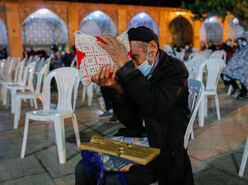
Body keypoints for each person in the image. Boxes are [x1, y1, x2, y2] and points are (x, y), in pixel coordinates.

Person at [75, 26, 194, 184]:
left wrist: (125, 64)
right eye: (129, 59)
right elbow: (130, 121)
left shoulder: (174, 68)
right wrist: (117, 90)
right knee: (83, 168)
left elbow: (155, 104)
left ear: (152, 48)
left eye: (135, 57)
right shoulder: (130, 72)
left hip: (163, 146)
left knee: (113, 180)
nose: (134, 65)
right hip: (135, 139)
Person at [222, 32, 248, 100]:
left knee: (243, 72)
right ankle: (236, 87)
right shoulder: (240, 49)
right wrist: (232, 64)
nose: (243, 42)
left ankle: (244, 92)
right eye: (242, 40)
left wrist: (244, 63)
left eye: (244, 40)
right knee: (225, 71)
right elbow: (235, 59)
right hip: (239, 66)